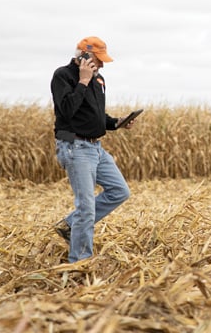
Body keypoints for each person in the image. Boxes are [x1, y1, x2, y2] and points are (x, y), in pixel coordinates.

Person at [50, 36, 133, 263]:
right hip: (74, 147)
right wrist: (83, 81)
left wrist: (117, 122)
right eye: (99, 59)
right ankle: (80, 262)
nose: (103, 65)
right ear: (84, 55)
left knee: (120, 191)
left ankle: (70, 225)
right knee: (86, 207)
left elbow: (97, 117)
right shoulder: (63, 76)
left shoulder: (99, 80)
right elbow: (66, 110)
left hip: (96, 147)